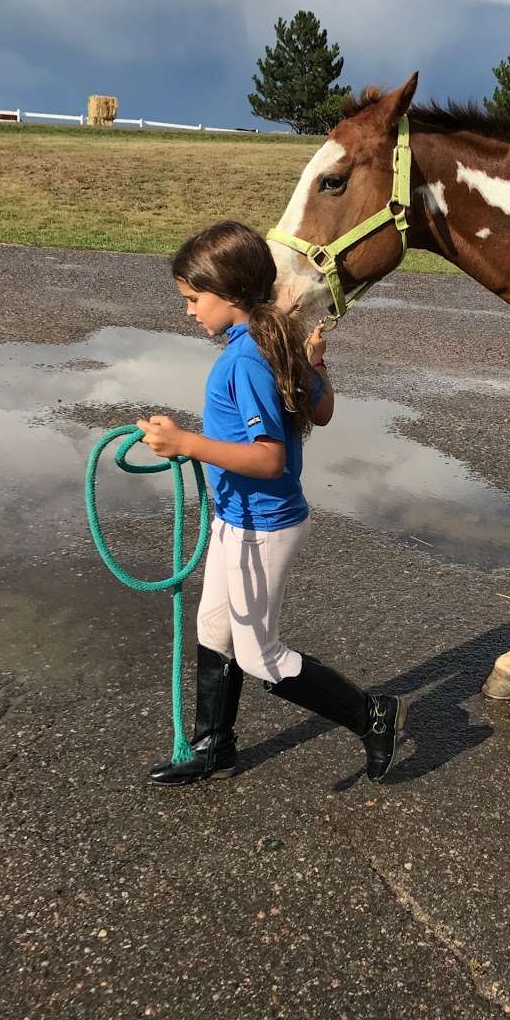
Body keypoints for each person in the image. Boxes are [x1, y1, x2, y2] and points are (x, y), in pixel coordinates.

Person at [136, 220, 406, 787]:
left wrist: (185, 443)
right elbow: (324, 410)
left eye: (192, 299)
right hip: (236, 519)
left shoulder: (245, 360)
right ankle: (214, 747)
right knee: (214, 629)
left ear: (229, 295)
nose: (188, 312)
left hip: (263, 526)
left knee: (259, 655)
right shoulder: (274, 335)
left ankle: (373, 715)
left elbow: (268, 458)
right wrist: (319, 366)